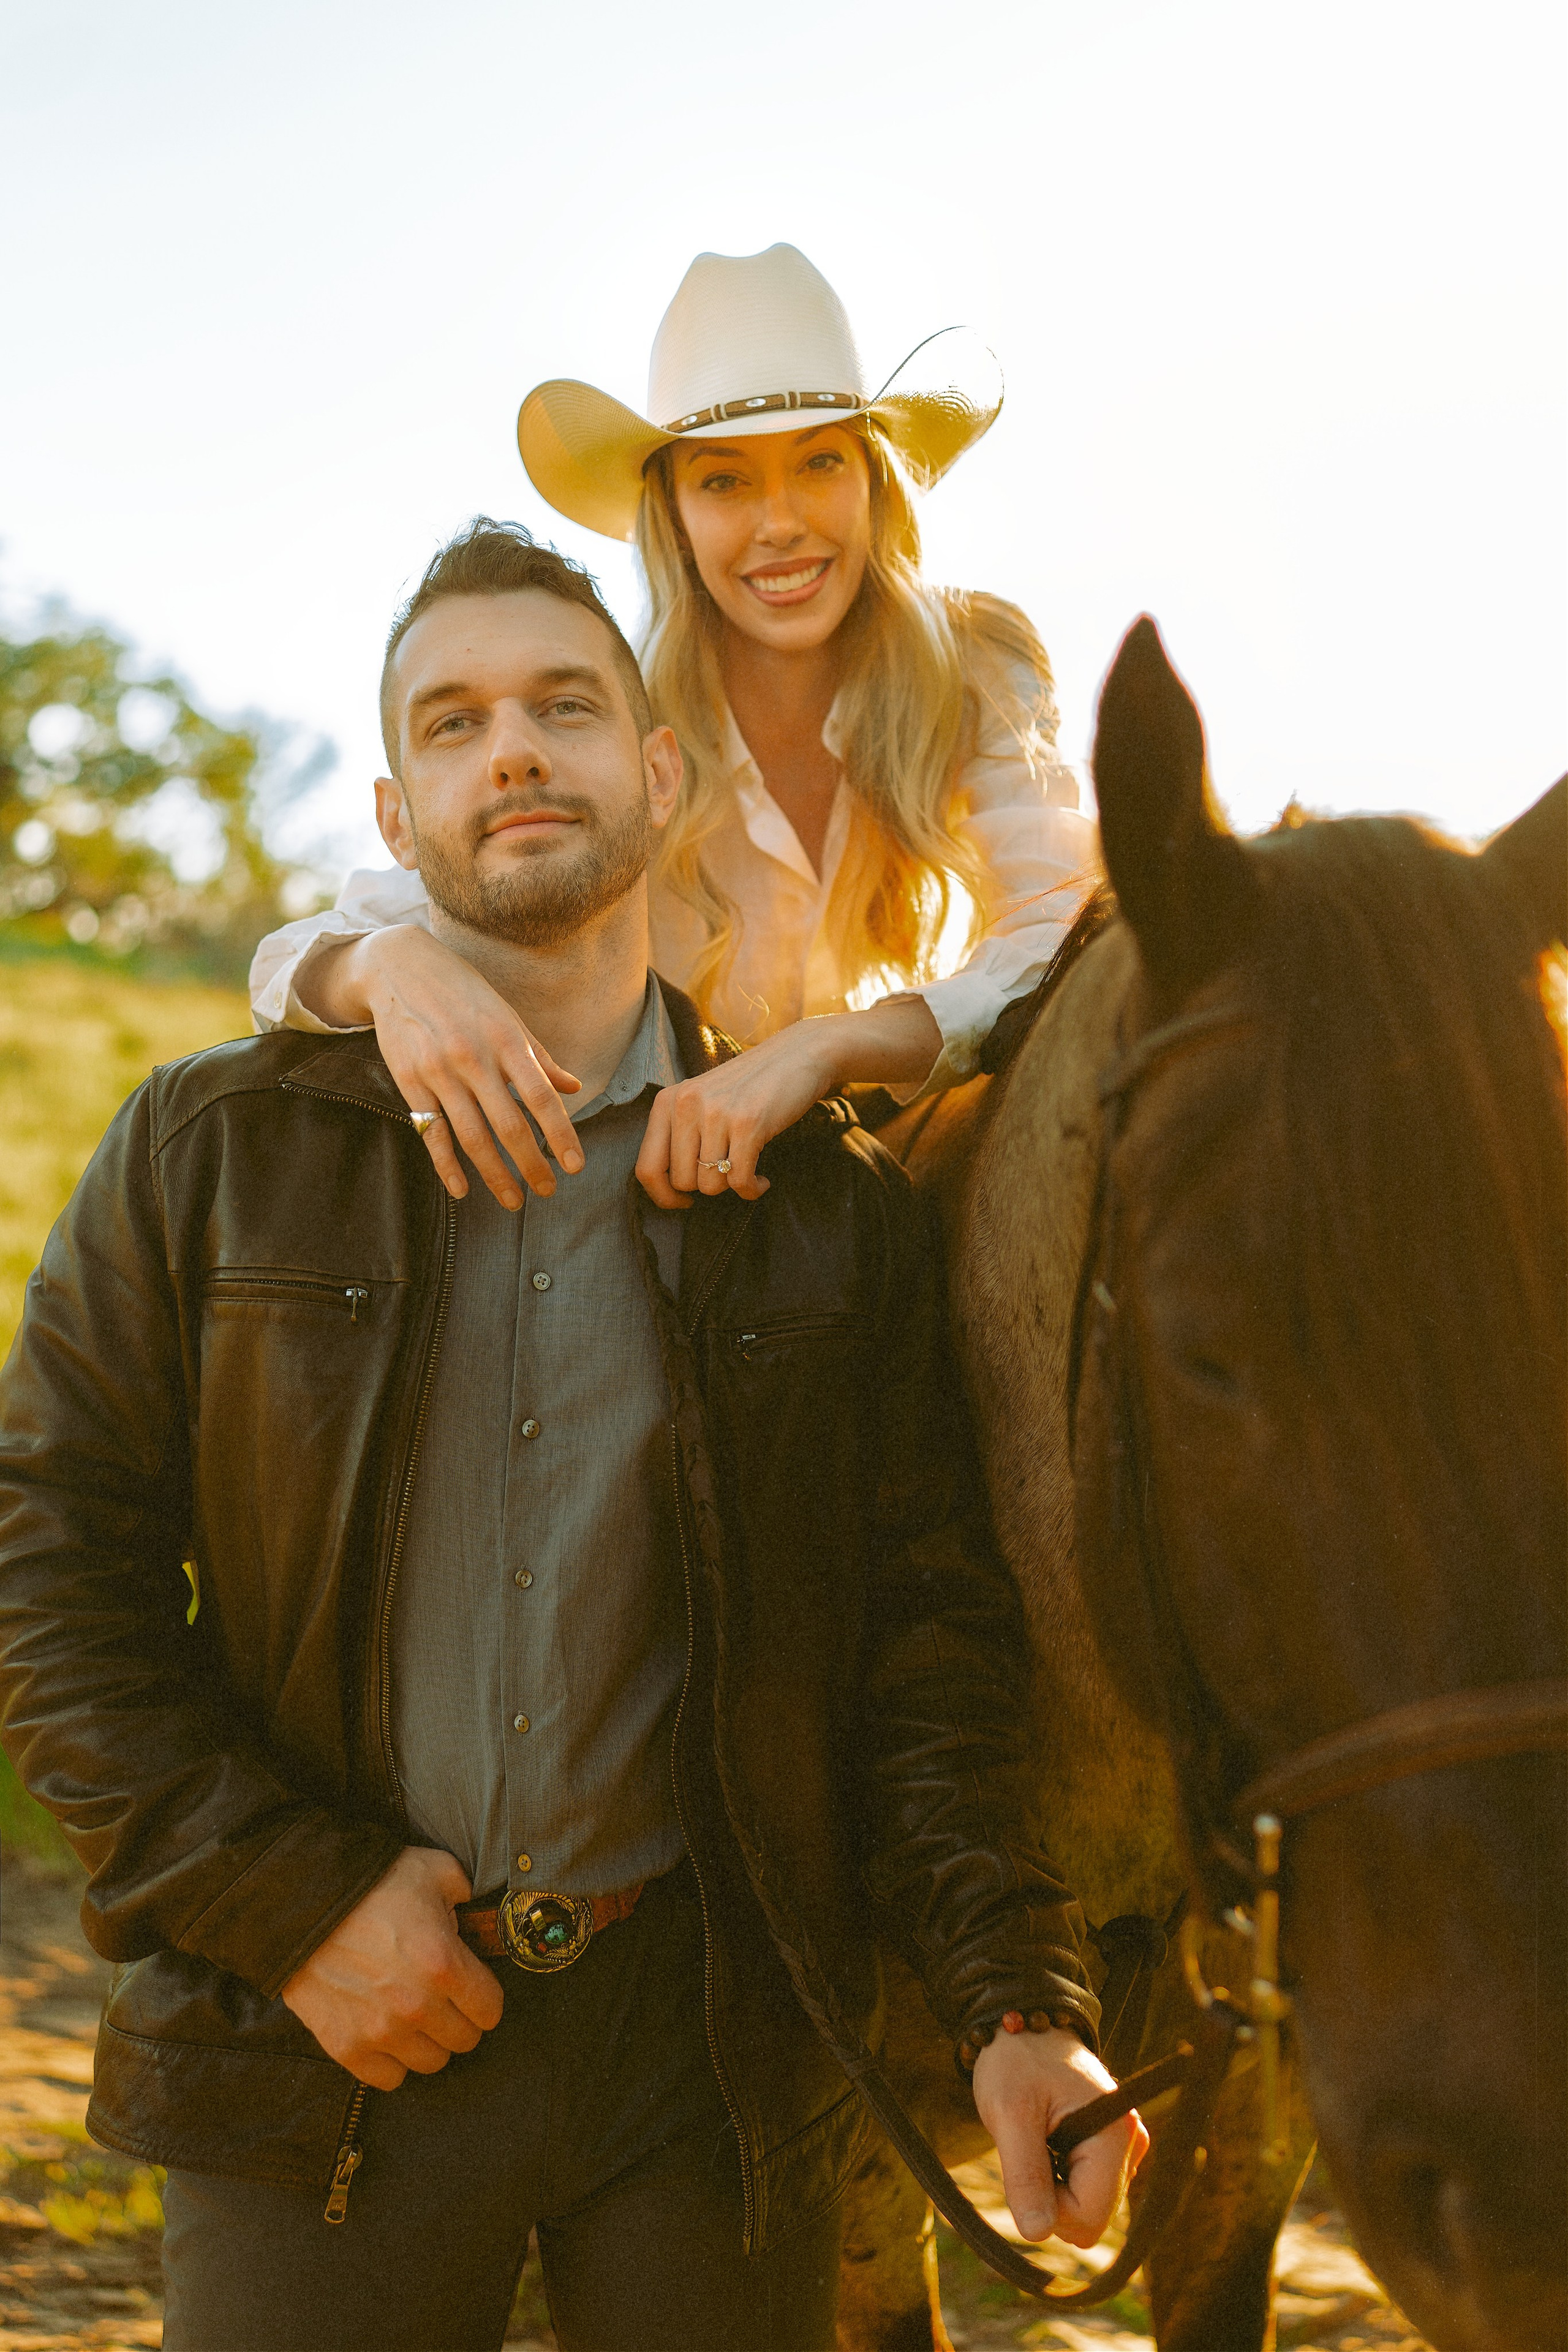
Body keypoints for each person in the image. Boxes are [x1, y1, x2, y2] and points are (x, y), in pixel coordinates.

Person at [0, 527, 1143, 2352]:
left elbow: (925, 1647)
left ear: (660, 769)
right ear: (394, 808)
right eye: (454, 724)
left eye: (564, 707)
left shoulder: (824, 1217)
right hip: (314, 2056)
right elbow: (42, 1568)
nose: (513, 751)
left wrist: (1022, 2003)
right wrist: (291, 1906)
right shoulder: (208, 1150)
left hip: (704, 2075)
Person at [250, 241, 1096, 1213]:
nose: (778, 523)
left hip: (889, 1159)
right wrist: (386, 963)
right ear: (674, 516)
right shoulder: (617, 716)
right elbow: (292, 962)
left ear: (874, 479)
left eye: (819, 462)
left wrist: (827, 1048)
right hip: (660, 1183)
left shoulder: (975, 660)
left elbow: (1063, 924)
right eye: (725, 482)